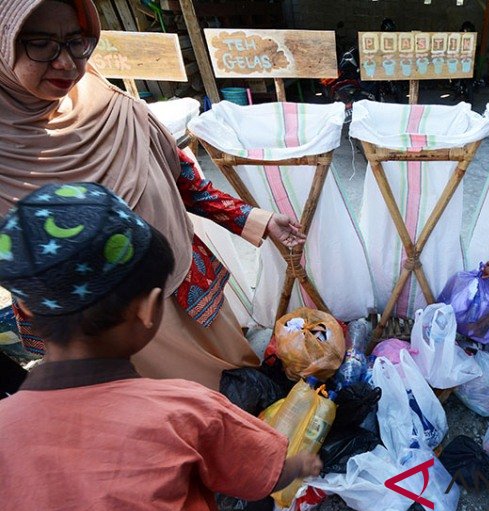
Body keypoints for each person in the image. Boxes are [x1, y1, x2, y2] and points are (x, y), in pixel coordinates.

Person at [0, 0, 305, 390]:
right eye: (41, 44)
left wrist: (254, 219)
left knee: (238, 386)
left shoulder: (113, 107)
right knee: (165, 419)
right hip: (99, 331)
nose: (65, 63)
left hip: (184, 291)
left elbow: (187, 183)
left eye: (75, 41)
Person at [0, 183, 322, 511]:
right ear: (149, 309)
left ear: (25, 313)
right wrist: (301, 465)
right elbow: (261, 474)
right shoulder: (186, 409)